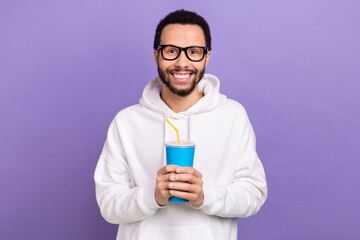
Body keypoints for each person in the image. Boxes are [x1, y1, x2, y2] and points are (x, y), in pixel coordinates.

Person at [94, 9, 267, 240]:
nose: (182, 62)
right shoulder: (126, 122)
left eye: (193, 52)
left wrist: (205, 196)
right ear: (156, 55)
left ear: (207, 57)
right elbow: (108, 204)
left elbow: (253, 194)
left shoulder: (232, 116)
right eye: (172, 51)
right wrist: (153, 196)